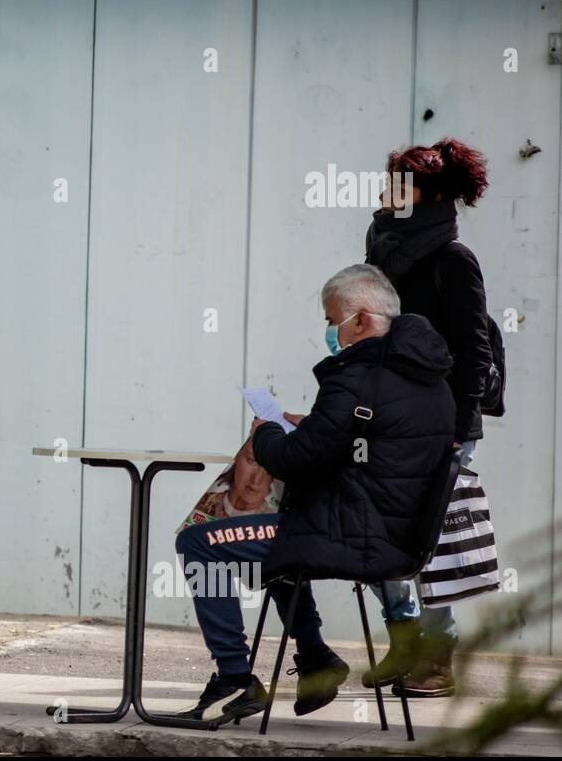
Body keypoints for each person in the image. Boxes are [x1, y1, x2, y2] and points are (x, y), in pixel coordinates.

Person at [174, 264, 455, 722]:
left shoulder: (356, 377)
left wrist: (266, 432)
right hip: (397, 538)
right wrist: (311, 427)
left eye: (332, 321)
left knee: (199, 542)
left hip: (356, 536)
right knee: (284, 538)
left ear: (361, 319)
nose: (330, 332)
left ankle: (234, 676)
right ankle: (315, 656)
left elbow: (294, 460)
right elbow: (374, 443)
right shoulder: (429, 380)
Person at [362, 138, 494, 698]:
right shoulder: (382, 248)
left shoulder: (453, 260)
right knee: (367, 527)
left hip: (439, 423)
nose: (388, 191)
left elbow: (475, 352)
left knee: (429, 543)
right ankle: (404, 639)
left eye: (401, 182)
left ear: (431, 195)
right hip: (382, 416)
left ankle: (437, 658)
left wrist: (459, 435)